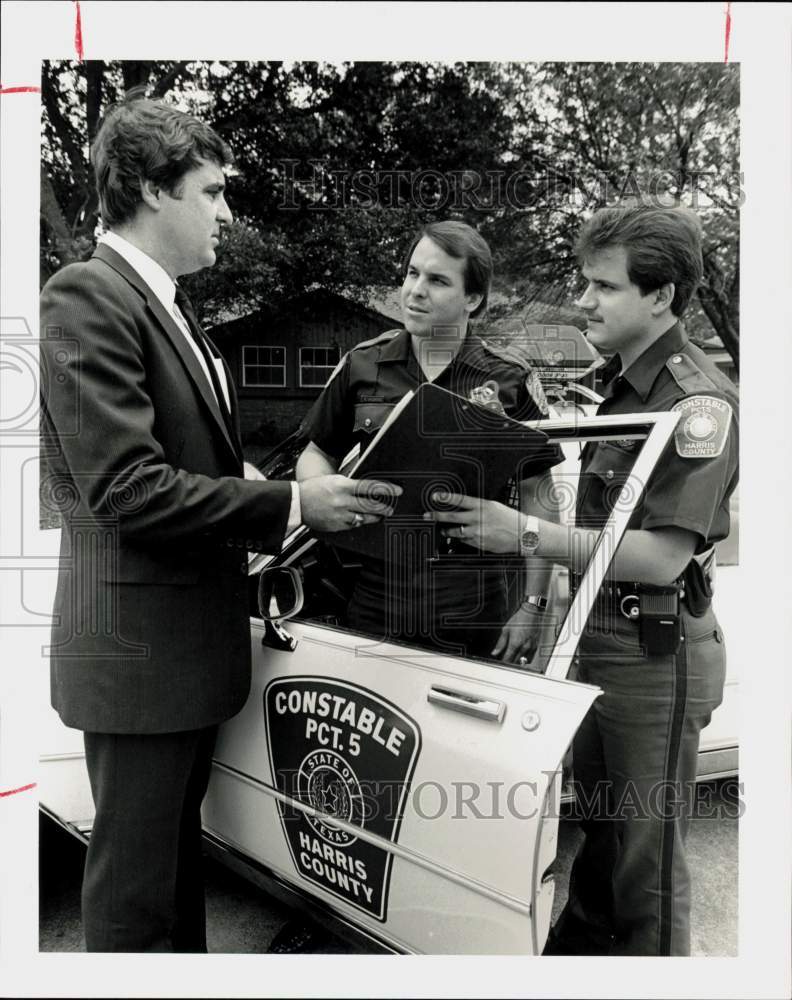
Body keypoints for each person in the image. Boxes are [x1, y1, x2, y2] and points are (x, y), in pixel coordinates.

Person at [39, 94, 397, 953]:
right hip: (137, 663)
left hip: (181, 658)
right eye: (212, 191)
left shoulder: (167, 304)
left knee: (171, 879)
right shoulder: (88, 295)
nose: (227, 213)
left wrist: (257, 486)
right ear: (154, 190)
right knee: (135, 902)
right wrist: (289, 504)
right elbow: (125, 490)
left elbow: (176, 461)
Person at [427, 204, 738, 956]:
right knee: (601, 833)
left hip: (654, 651)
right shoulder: (626, 387)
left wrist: (523, 533)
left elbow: (662, 554)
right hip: (604, 635)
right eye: (584, 282)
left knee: (644, 865)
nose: (584, 301)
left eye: (604, 286)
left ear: (661, 296)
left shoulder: (697, 402)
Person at [295, 220, 563, 663]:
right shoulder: (363, 365)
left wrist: (534, 606)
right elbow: (316, 453)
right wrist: (327, 493)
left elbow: (540, 495)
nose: (415, 290)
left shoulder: (508, 378)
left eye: (437, 280)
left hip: (473, 601)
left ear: (472, 299)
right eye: (411, 274)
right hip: (375, 591)